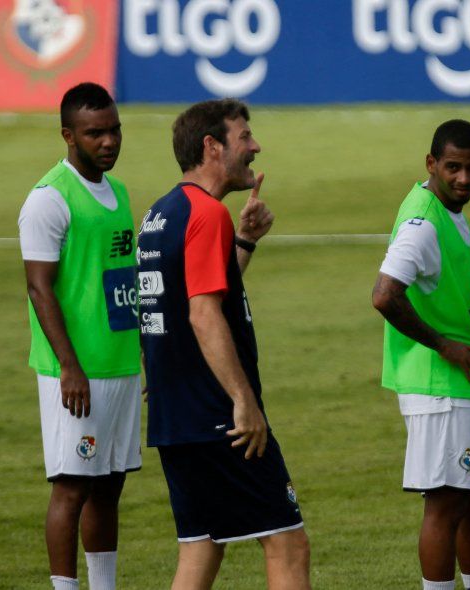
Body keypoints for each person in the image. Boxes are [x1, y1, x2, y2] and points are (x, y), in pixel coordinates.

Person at [138, 99, 310, 590]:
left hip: (176, 419)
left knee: (200, 549)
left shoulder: (161, 213)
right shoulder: (206, 214)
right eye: (244, 137)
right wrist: (243, 400)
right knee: (287, 544)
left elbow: (182, 302)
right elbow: (202, 313)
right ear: (212, 147)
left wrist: (245, 242)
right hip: (220, 419)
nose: (255, 147)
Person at [372, 119, 470, 590]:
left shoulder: (450, 211)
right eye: (452, 167)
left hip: (463, 384)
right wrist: (443, 346)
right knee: (447, 505)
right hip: (438, 389)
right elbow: (385, 295)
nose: (464, 178)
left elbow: (461, 311)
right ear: (431, 164)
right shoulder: (423, 224)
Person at [19, 82, 141, 590]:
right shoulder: (49, 199)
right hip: (77, 374)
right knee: (71, 486)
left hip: (120, 364)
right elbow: (38, 287)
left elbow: (123, 284)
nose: (108, 141)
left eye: (114, 130)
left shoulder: (121, 193)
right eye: (95, 133)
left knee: (109, 485)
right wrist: (69, 366)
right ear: (68, 135)